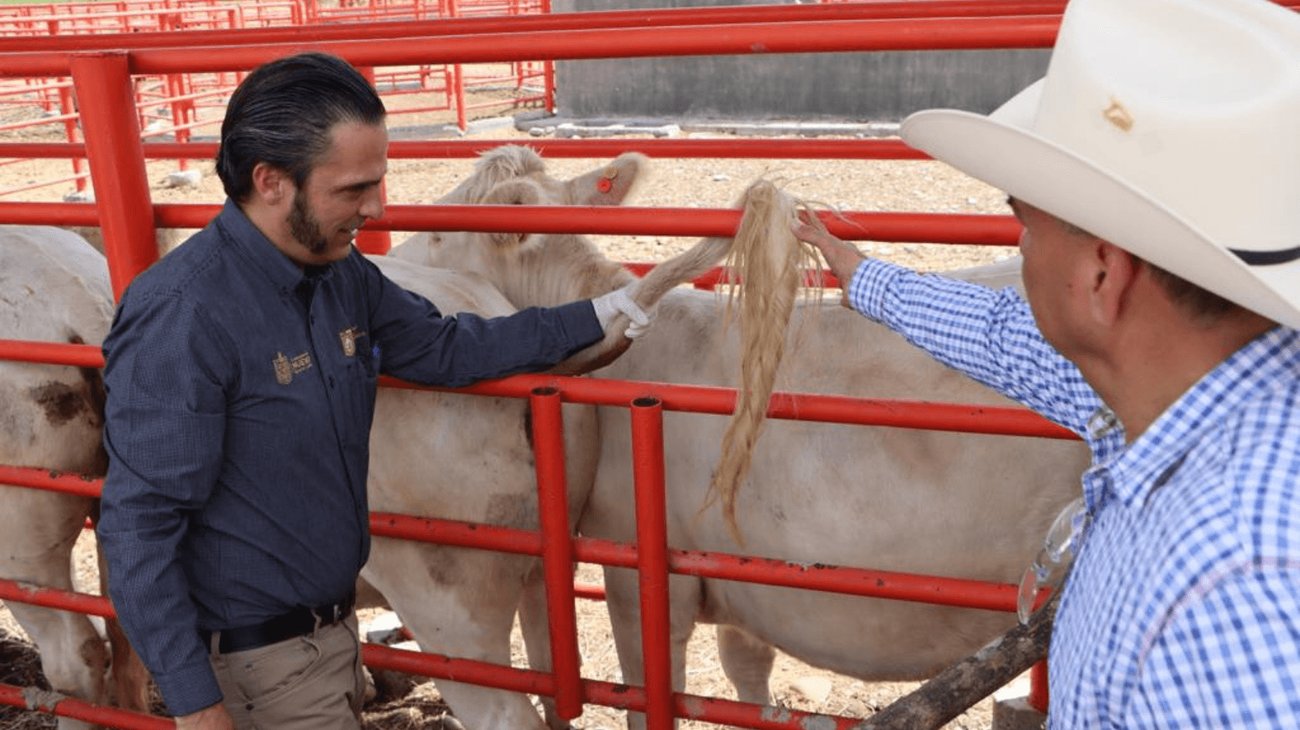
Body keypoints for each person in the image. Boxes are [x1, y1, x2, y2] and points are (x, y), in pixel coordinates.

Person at [96, 52, 651, 730]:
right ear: (270, 182)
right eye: (353, 189)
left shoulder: (339, 274)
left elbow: (444, 345)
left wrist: (596, 313)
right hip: (253, 664)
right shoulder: (182, 314)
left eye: (378, 182)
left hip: (331, 635)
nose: (377, 207)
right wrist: (195, 704)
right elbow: (138, 523)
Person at [794, 0, 1300, 725]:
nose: (1021, 249)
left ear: (1102, 275)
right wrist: (864, 276)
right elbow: (1005, 335)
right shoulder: (1169, 386)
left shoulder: (1236, 587)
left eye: (1025, 225)